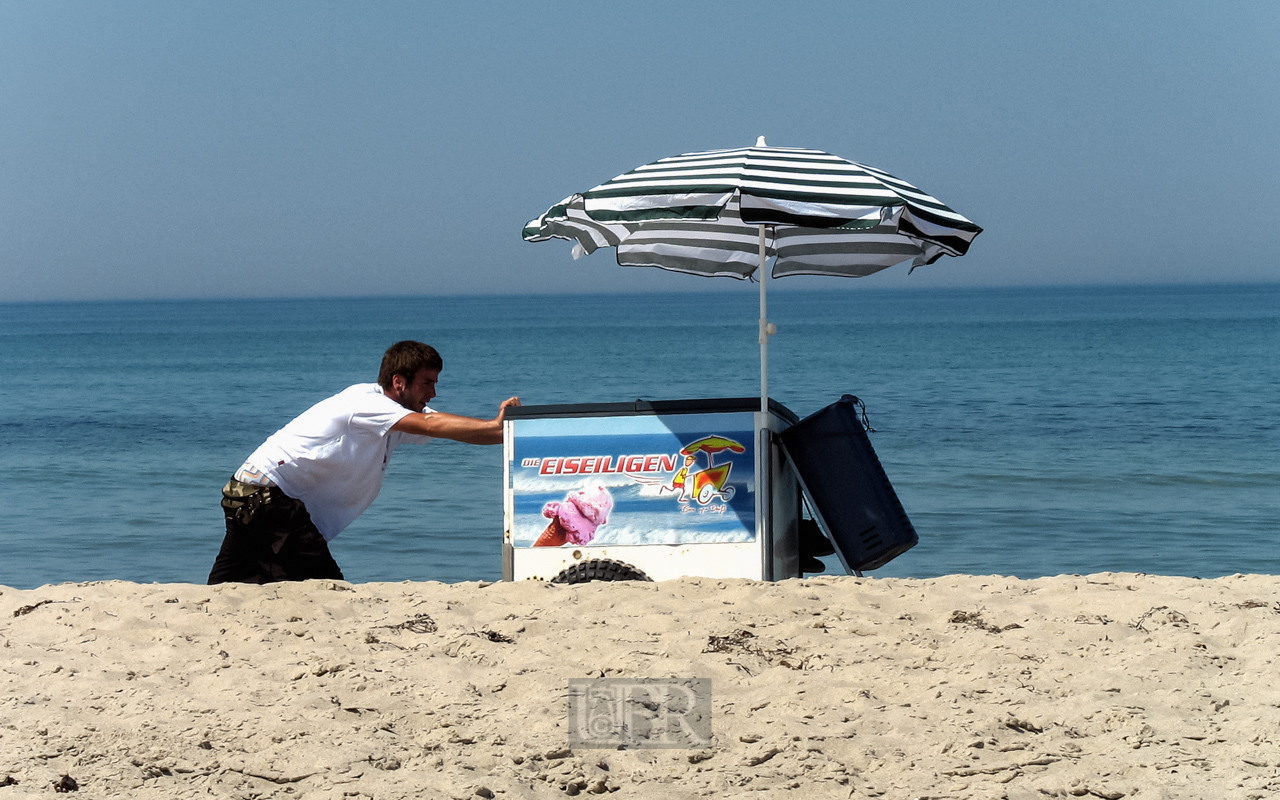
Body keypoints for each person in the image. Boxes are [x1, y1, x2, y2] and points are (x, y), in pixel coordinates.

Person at [208, 340, 520, 584]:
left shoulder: (394, 419)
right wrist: (494, 424)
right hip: (266, 501)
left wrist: (504, 431)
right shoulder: (367, 403)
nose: (434, 392)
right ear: (399, 382)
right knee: (326, 587)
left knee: (227, 587)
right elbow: (432, 426)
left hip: (248, 496)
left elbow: (453, 430)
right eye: (427, 383)